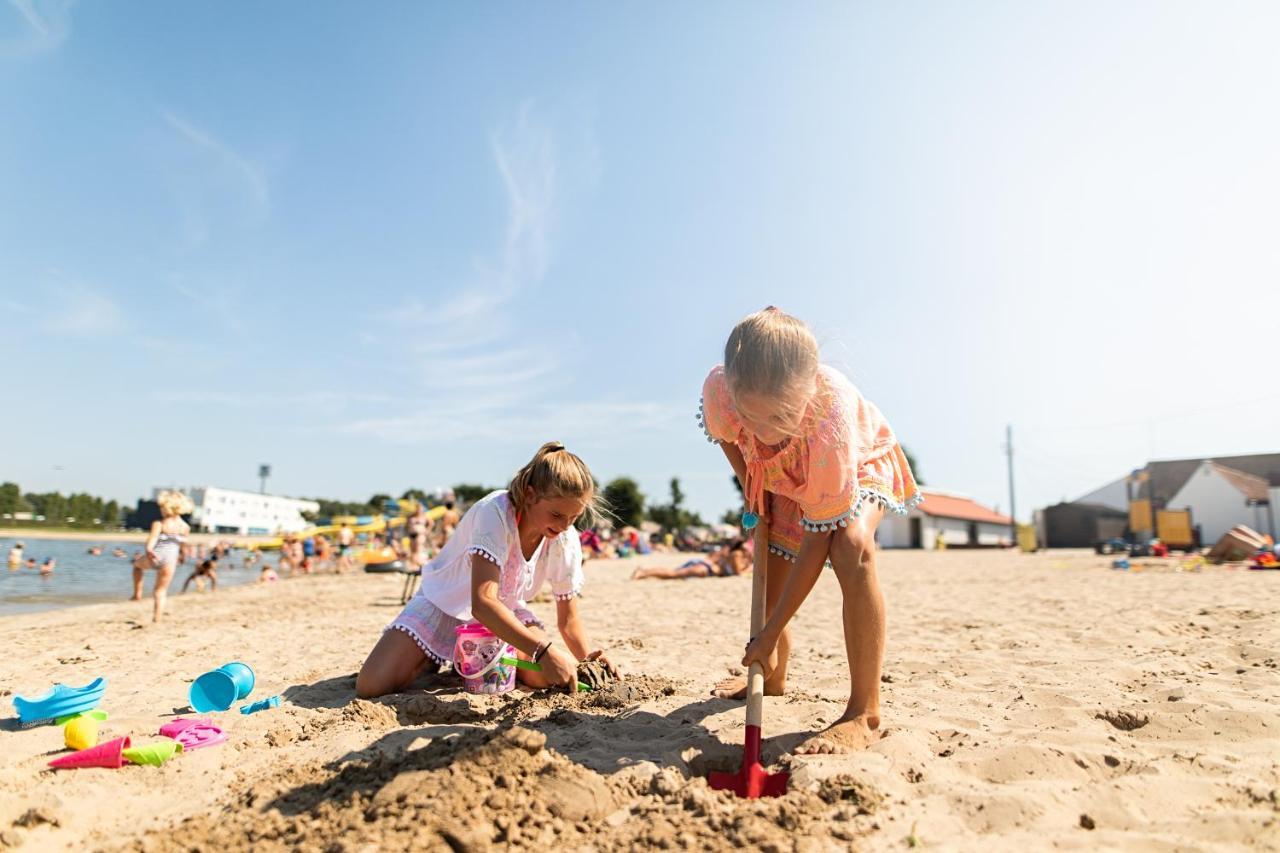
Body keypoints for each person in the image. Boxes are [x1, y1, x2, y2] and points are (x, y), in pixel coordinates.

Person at [699, 307, 920, 754]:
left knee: (851, 547)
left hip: (855, 462)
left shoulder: (829, 415)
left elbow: (818, 542)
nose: (763, 431)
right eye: (752, 418)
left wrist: (768, 630)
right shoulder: (720, 391)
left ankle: (864, 711)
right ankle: (773, 676)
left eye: (779, 419)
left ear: (807, 392)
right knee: (773, 571)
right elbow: (727, 436)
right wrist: (750, 483)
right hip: (781, 471)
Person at [356, 442, 618, 698]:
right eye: (557, 515)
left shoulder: (563, 538)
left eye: (573, 517)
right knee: (371, 685)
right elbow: (481, 603)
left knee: (546, 677)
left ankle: (468, 663)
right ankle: (433, 658)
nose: (564, 525)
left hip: (505, 616)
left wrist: (588, 661)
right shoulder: (496, 513)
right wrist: (543, 652)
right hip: (446, 606)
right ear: (529, 496)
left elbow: (569, 620)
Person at [131, 490, 194, 622]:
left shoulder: (160, 523)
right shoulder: (185, 527)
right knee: (160, 591)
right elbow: (183, 545)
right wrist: (182, 557)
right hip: (170, 561)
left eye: (161, 507)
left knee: (136, 566)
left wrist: (148, 550)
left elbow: (152, 539)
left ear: (167, 507)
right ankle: (157, 617)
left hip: (155, 556)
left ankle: (137, 593)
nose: (160, 510)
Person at [632, 539, 750, 580]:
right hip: (705, 569)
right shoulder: (737, 554)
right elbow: (738, 573)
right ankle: (643, 573)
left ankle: (644, 571)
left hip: (703, 565)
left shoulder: (731, 553)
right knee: (673, 574)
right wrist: (750, 568)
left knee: (673, 572)